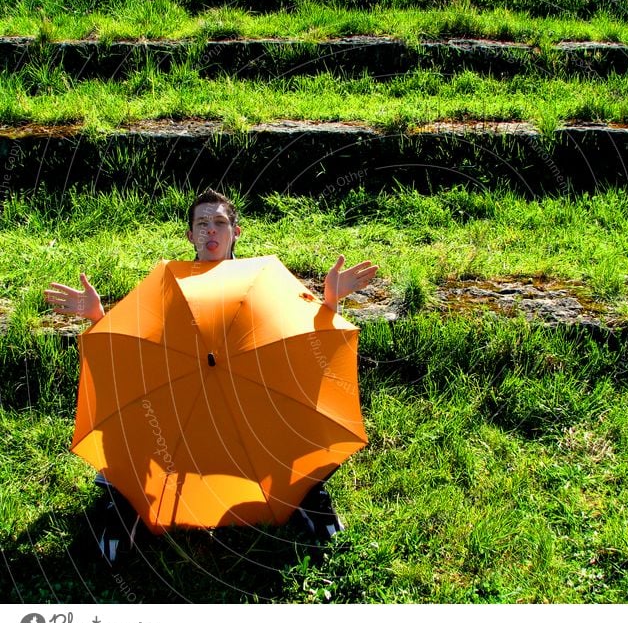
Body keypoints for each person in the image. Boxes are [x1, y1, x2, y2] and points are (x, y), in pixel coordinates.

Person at [44, 189, 378, 561]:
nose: (211, 231)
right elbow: (133, 350)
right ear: (190, 236)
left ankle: (305, 490)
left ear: (236, 231)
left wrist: (329, 302)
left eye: (220, 222)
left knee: (299, 389)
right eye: (202, 223)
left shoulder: (260, 282)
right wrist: (98, 317)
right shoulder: (171, 285)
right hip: (183, 402)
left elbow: (303, 345)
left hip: (252, 402)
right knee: (132, 401)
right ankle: (123, 500)